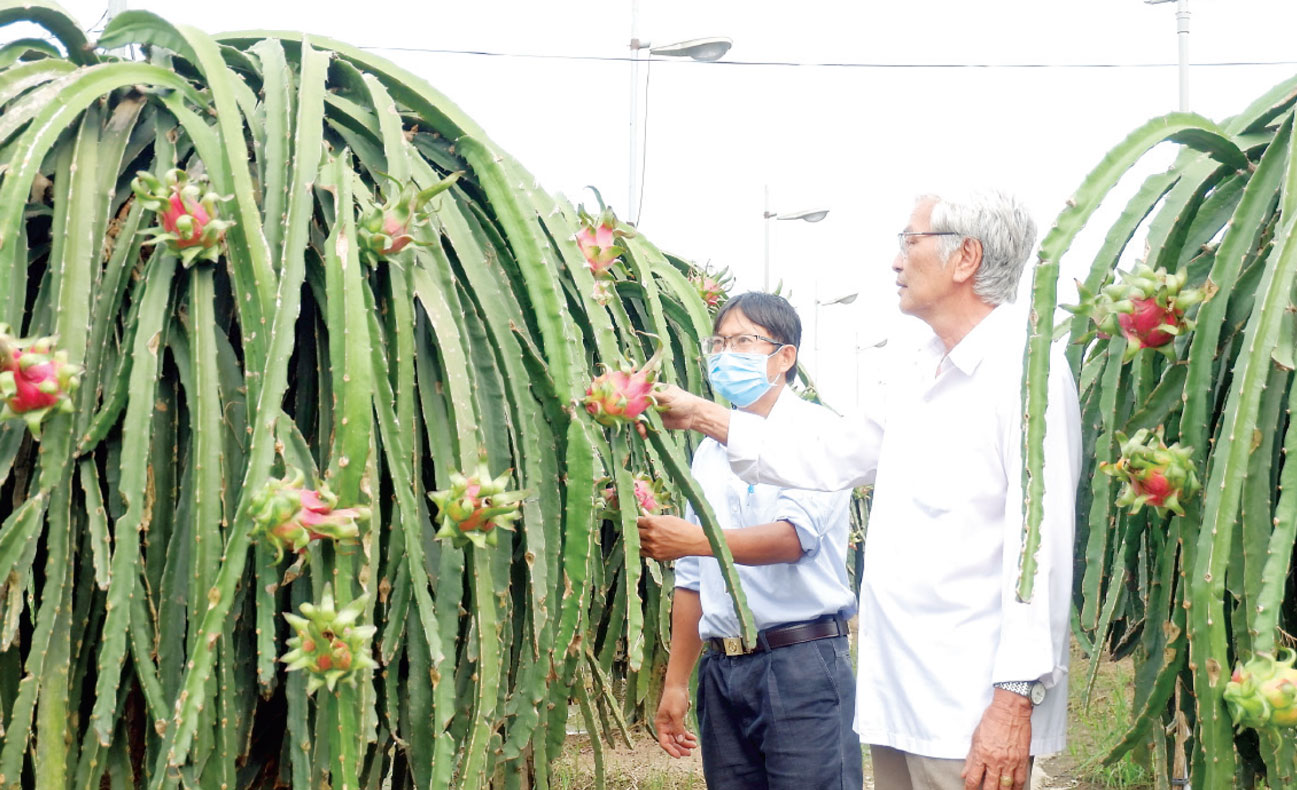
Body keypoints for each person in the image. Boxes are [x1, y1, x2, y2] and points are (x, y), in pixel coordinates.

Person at [653, 190, 1082, 790]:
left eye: (910, 241)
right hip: (899, 696)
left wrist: (1015, 697)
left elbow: (1043, 550)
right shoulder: (916, 369)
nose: (896, 261)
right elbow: (826, 456)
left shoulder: (1024, 372)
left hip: (972, 705)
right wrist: (703, 415)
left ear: (966, 258)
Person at [637, 292, 862, 790]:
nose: (725, 354)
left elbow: (791, 539)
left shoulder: (818, 432)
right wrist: (676, 683)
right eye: (718, 343)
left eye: (742, 341)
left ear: (785, 357)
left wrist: (695, 540)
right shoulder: (708, 455)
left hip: (801, 664)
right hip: (723, 670)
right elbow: (692, 582)